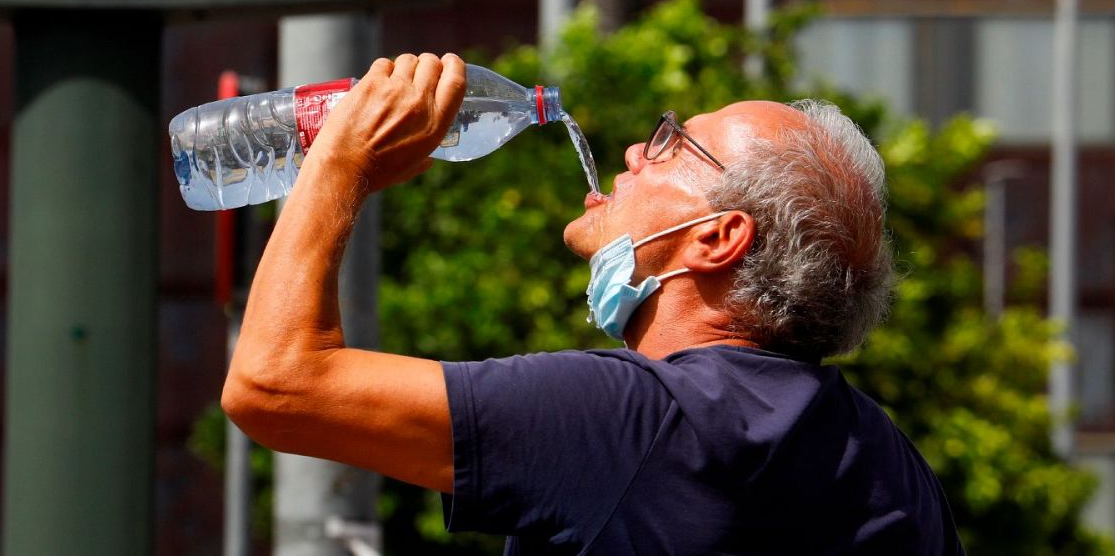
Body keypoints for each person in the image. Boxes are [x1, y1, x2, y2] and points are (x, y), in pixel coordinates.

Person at [222, 52, 965, 555]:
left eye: (675, 144)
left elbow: (274, 383)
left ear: (719, 238)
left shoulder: (630, 419)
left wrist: (341, 160)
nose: (639, 152)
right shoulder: (890, 465)